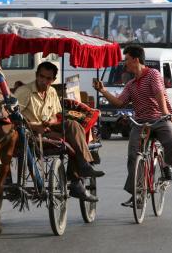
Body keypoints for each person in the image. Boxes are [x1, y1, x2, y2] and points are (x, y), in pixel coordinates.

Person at [93, 45, 172, 208]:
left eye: (126, 60)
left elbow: (159, 95)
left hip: (160, 118)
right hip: (140, 122)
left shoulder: (153, 74)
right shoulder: (131, 84)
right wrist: (103, 91)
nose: (125, 64)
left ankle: (167, 166)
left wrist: (165, 114)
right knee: (134, 156)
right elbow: (119, 102)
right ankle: (137, 194)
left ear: (135, 59)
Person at [14, 61, 105, 202]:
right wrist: (34, 126)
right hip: (29, 133)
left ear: (53, 80)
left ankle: (83, 165)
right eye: (41, 77)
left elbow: (56, 115)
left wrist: (51, 121)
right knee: (73, 140)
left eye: (48, 78)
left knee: (73, 126)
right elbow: (14, 118)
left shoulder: (51, 92)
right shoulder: (24, 92)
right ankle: (76, 180)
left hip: (48, 128)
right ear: (36, 75)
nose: (44, 81)